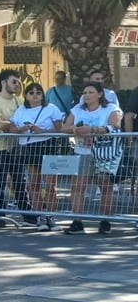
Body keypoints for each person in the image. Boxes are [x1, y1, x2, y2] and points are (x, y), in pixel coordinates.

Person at [62, 82, 123, 234]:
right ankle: (77, 222)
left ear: (100, 94)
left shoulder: (110, 108)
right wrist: (74, 129)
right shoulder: (77, 109)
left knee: (105, 186)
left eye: (90, 92)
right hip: (83, 151)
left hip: (104, 153)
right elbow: (64, 127)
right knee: (77, 187)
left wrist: (93, 130)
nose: (86, 95)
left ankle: (105, 221)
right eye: (84, 92)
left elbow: (114, 125)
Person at [9, 82, 65, 231]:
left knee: (51, 185)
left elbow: (61, 129)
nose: (35, 95)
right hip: (29, 148)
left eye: (38, 93)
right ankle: (39, 216)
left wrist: (41, 131)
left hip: (48, 146)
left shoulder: (51, 108)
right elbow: (12, 128)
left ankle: (51, 217)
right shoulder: (21, 110)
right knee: (34, 184)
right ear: (26, 95)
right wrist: (22, 128)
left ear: (43, 95)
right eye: (31, 93)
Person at [0, 70, 33, 226]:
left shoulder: (19, 101)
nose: (17, 84)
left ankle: (28, 216)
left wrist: (17, 126)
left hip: (15, 148)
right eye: (14, 81)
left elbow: (27, 119)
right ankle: (0, 217)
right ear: (3, 83)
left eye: (18, 82)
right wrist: (16, 126)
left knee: (20, 181)